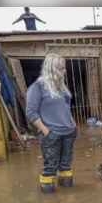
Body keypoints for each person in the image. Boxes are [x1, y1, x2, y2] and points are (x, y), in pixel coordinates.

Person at [26, 54, 77, 193]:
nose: (64, 71)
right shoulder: (38, 87)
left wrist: (73, 125)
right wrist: (46, 131)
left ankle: (68, 200)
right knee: (50, 168)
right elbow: (31, 112)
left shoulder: (62, 88)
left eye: (64, 68)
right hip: (51, 134)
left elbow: (66, 108)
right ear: (52, 68)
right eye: (61, 68)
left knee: (66, 166)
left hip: (68, 132)